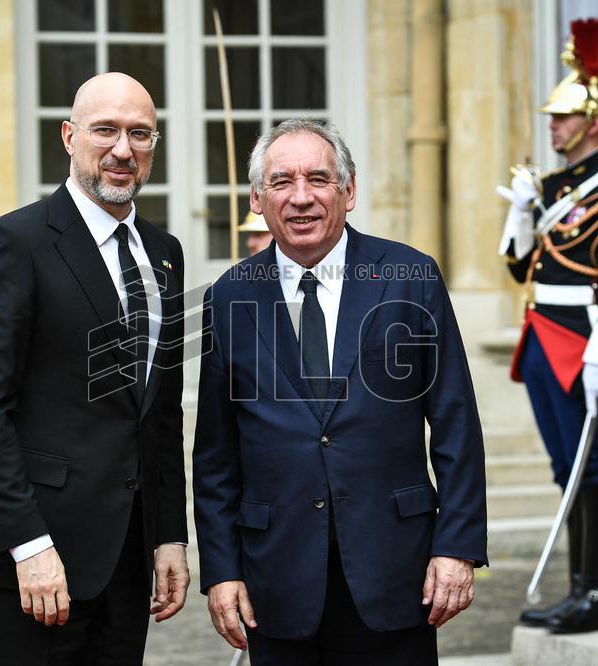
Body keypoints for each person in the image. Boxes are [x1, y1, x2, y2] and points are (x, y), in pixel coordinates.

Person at [194, 119, 488, 665]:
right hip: (275, 577)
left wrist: (457, 546)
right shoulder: (229, 295)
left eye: (319, 179)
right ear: (258, 199)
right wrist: (221, 569)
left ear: (348, 192)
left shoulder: (409, 276)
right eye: (281, 182)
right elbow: (216, 453)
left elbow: (454, 420)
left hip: (395, 571)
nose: (300, 197)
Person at [0, 72, 189, 664]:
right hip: (35, 564)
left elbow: (158, 415)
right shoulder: (11, 244)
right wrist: (28, 546)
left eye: (140, 134)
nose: (122, 150)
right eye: (105, 130)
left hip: (127, 566)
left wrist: (167, 534)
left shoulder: (165, 253)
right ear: (68, 136)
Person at [498, 18, 598, 634]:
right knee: (567, 468)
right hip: (541, 335)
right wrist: (520, 212)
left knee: (592, 466)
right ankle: (577, 588)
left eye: (563, 117)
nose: (552, 125)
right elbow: (517, 267)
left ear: (594, 122)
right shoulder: (556, 184)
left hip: (582, 342)